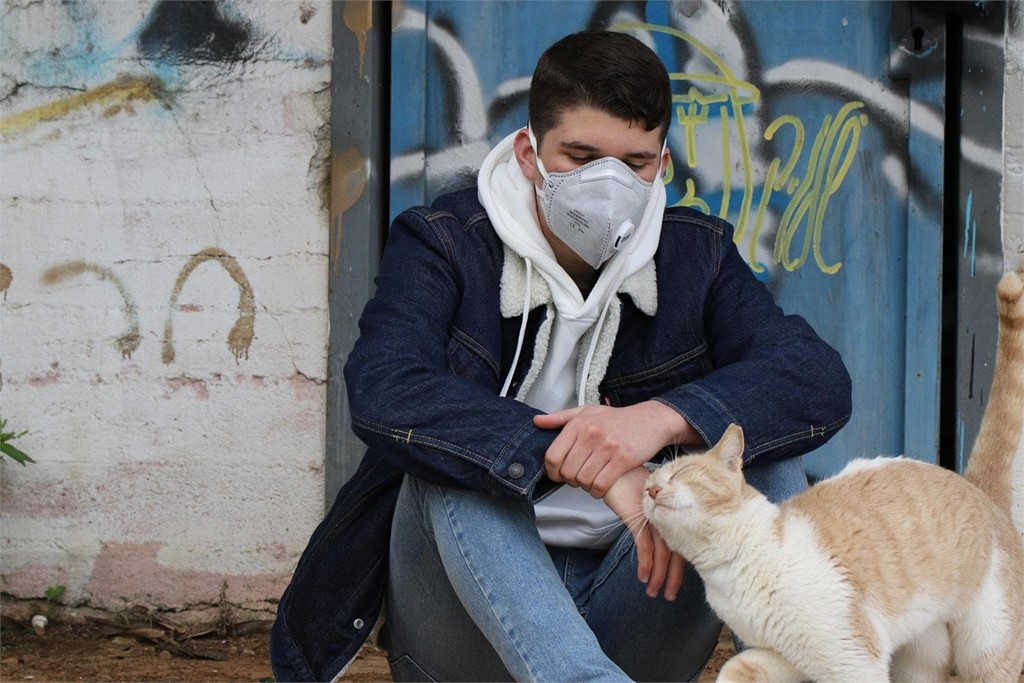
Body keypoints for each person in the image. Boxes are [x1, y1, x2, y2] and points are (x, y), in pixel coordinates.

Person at [271, 30, 851, 682]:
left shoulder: (698, 256)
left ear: (662, 164)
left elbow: (814, 377)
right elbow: (385, 386)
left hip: (633, 605)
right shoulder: (446, 243)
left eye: (633, 163)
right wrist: (585, 462)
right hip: (464, 623)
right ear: (529, 153)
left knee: (756, 450)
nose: (607, 184)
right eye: (580, 156)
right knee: (456, 456)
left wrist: (657, 421)